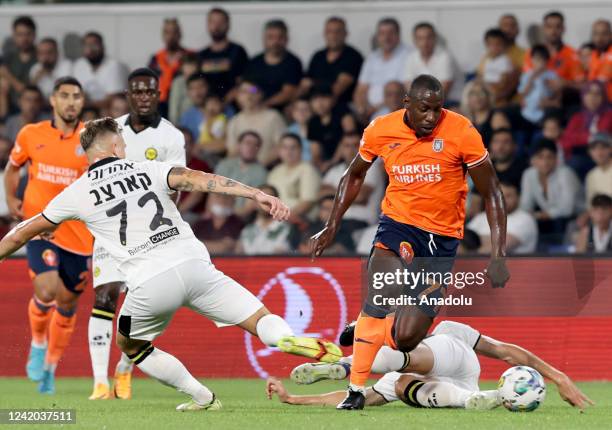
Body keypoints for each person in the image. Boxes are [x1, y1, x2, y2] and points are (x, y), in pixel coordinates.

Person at [0, 117, 342, 411]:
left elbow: (20, 233)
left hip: (149, 282)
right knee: (259, 319)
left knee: (131, 346)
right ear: (118, 146)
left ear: (88, 154)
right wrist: (257, 194)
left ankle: (202, 396)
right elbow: (202, 180)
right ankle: (285, 339)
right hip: (195, 265)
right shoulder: (149, 168)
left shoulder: (77, 192)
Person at [310, 74, 509, 410]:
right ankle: (355, 390)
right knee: (380, 293)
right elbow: (354, 174)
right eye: (424, 109)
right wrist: (332, 224)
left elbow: (492, 193)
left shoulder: (462, 132)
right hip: (398, 226)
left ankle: (371, 328)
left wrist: (498, 254)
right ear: (407, 104)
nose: (431, 117)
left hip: (442, 241)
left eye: (437, 109)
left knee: (406, 339)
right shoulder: (380, 129)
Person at [87, 68, 187, 401]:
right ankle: (100, 384)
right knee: (104, 297)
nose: (143, 96)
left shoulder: (171, 137)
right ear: (128, 95)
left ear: (158, 94)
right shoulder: (111, 131)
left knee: (140, 305)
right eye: (137, 91)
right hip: (111, 229)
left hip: (152, 233)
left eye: (149, 91)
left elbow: (178, 183)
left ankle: (124, 369)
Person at [268, 320, 593, 411]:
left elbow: (505, 352)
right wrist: (293, 399)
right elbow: (358, 397)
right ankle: (486, 400)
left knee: (411, 358)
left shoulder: (450, 330)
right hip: (461, 392)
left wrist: (558, 376)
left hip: (458, 364)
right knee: (397, 385)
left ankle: (345, 363)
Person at [3, 77, 93, 394]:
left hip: (80, 234)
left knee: (67, 306)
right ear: (53, 100)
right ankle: (38, 344)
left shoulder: (92, 139)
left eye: (77, 97)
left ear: (83, 102)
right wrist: (12, 198)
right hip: (41, 226)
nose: (71, 102)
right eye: (65, 96)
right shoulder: (31, 134)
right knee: (48, 287)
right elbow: (13, 168)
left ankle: (50, 368)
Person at [520, 139, 583, 246]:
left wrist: (542, 215)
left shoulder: (565, 173)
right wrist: (531, 215)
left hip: (576, 218)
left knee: (558, 222)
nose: (545, 162)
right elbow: (525, 205)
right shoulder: (528, 174)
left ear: (556, 159)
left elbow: (567, 209)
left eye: (549, 157)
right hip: (550, 219)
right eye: (540, 157)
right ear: (533, 160)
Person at [321, 133, 384, 227]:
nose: (351, 150)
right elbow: (320, 193)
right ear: (341, 149)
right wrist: (349, 194)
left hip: (360, 221)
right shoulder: (334, 170)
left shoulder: (371, 168)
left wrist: (332, 192)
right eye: (347, 146)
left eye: (355, 145)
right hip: (336, 221)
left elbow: (360, 197)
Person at [299, 16, 363, 108]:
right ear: (324, 34)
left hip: (342, 106)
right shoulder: (318, 56)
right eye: (329, 32)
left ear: (345, 34)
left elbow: (337, 89)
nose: (333, 36)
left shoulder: (353, 57)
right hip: (314, 104)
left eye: (337, 32)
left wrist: (314, 84)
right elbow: (304, 85)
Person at [353, 18, 410, 120]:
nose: (386, 37)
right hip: (370, 113)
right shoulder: (372, 57)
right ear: (378, 37)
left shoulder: (408, 55)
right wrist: (361, 109)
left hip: (396, 111)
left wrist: (374, 108)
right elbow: (360, 90)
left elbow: (400, 91)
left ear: (398, 35)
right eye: (382, 33)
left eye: (390, 33)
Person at [244, 19, 303, 111]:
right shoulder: (254, 62)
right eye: (271, 37)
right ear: (264, 39)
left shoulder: (293, 63)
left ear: (286, 39)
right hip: (254, 107)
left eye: (280, 37)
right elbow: (249, 87)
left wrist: (264, 105)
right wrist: (254, 92)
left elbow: (287, 93)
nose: (275, 42)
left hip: (281, 111)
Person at [226, 81, 286, 167]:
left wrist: (259, 166)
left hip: (268, 168)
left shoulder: (273, 117)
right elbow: (232, 152)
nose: (249, 95)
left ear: (260, 94)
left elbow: (282, 146)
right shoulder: (235, 121)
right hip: (242, 172)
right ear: (238, 96)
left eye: (253, 90)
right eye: (244, 92)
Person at [560, 80, 612, 178]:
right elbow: (567, 140)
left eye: (597, 94)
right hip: (582, 156)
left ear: (603, 97)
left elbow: (600, 135)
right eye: (589, 93)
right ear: (583, 96)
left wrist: (581, 137)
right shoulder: (577, 117)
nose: (593, 97)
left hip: (604, 156)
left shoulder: (609, 114)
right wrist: (589, 137)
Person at [469, 182, 537, 254]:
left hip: (514, 264)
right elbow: (462, 241)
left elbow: (500, 246)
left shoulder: (525, 219)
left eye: (508, 196)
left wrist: (473, 245)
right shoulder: (481, 217)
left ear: (518, 198)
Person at [404, 22, 463, 105]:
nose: (425, 42)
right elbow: (409, 87)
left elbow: (442, 90)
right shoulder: (411, 57)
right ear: (415, 40)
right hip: (423, 104)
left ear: (435, 38)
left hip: (450, 103)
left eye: (428, 38)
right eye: (420, 38)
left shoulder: (445, 56)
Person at [267, 133, 321, 221]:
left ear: (301, 150)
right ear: (279, 150)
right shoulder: (274, 172)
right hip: (277, 220)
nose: (289, 152)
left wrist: (281, 219)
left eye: (293, 148)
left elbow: (307, 203)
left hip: (301, 221)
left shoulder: (308, 170)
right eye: (285, 148)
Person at [199, 7, 248, 101]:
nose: (216, 26)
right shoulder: (202, 55)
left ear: (228, 25)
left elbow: (243, 83)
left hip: (233, 106)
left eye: (220, 22)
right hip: (206, 107)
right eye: (213, 22)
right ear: (208, 25)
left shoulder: (238, 51)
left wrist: (224, 102)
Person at [214, 131, 268, 218]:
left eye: (255, 145)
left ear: (259, 149)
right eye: (247, 143)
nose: (251, 147)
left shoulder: (261, 172)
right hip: (216, 213)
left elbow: (251, 205)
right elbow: (212, 192)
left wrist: (230, 217)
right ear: (239, 145)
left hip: (240, 218)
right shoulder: (224, 164)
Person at [72, 32, 128, 108]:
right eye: (87, 45)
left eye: (94, 45)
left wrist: (87, 105)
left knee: (119, 104)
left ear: (102, 47)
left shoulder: (115, 65)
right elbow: (78, 93)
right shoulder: (79, 65)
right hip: (87, 109)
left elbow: (112, 99)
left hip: (108, 109)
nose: (90, 49)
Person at [523, 11, 580, 85]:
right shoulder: (531, 52)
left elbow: (580, 84)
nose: (553, 31)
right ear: (543, 28)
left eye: (558, 27)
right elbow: (526, 81)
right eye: (549, 26)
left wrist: (564, 83)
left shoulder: (572, 54)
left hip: (564, 94)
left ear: (563, 29)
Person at [148, 18, 191, 114]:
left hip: (182, 104)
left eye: (174, 32)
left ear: (180, 34)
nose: (171, 36)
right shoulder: (156, 59)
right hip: (160, 105)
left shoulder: (188, 56)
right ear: (162, 35)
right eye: (167, 32)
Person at [236, 185, 291, 255]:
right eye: (263, 198)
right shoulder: (246, 231)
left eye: (270, 198)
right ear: (254, 202)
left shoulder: (289, 230)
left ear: (277, 202)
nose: (266, 202)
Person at [0, 16, 37, 109]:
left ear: (34, 35)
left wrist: (11, 79)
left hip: (34, 107)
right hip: (11, 107)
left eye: (28, 34)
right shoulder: (9, 57)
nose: (24, 39)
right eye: (20, 34)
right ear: (14, 36)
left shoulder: (41, 56)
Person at [518, 44, 560, 125]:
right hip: (527, 111)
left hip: (544, 110)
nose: (540, 62)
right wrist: (532, 77)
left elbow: (557, 95)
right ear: (532, 60)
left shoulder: (552, 75)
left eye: (542, 59)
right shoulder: (527, 75)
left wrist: (550, 86)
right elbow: (523, 93)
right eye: (537, 59)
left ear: (547, 61)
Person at [307, 85, 346, 169]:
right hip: (326, 163)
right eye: (315, 99)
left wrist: (332, 162)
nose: (320, 103)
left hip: (347, 161)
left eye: (324, 98)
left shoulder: (343, 114)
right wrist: (319, 164)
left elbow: (348, 139)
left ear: (332, 99)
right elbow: (315, 150)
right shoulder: (313, 122)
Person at [477, 28, 516, 107]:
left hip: (498, 97)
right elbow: (480, 76)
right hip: (484, 92)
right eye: (491, 44)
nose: (495, 47)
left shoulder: (505, 61)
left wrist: (490, 88)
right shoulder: (485, 60)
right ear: (486, 45)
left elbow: (504, 82)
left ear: (504, 45)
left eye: (498, 44)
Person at [459, 81, 495, 145]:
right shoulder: (464, 119)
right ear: (467, 98)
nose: (477, 97)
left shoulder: (496, 117)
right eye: (473, 93)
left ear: (488, 96)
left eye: (481, 92)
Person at [168, 53, 200, 124]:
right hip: (181, 122)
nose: (190, 68)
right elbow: (174, 106)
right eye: (187, 65)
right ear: (181, 67)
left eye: (193, 65)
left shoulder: (201, 81)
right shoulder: (178, 82)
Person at [179, 72, 210, 142]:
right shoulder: (186, 117)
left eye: (201, 86)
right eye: (192, 88)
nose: (197, 92)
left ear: (208, 87)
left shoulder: (224, 110)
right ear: (188, 92)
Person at [585, 132, 612, 205]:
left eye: (603, 147)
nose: (599, 152)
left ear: (611, 149)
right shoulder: (591, 175)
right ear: (589, 152)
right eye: (594, 148)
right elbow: (591, 206)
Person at [588, 19, 611, 100]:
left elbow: (600, 82)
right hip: (596, 103)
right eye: (596, 34)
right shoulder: (593, 54)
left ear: (610, 35)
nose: (600, 38)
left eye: (604, 34)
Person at [286, 97, 313, 162]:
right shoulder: (289, 131)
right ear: (293, 112)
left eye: (305, 109)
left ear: (312, 112)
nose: (301, 112)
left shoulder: (318, 129)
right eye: (298, 109)